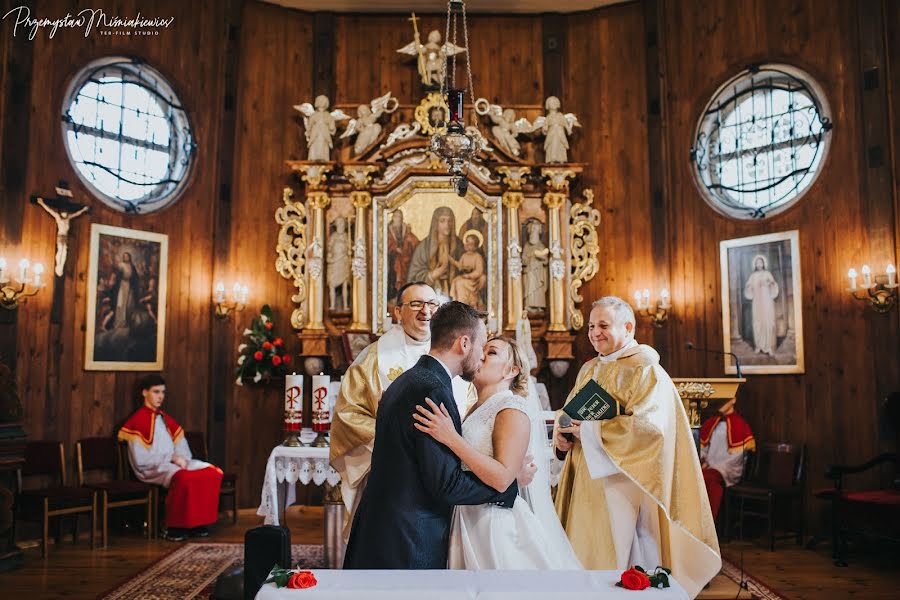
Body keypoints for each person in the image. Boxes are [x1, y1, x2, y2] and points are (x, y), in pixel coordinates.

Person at [343, 302, 532, 569]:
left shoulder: (409, 381)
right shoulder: (431, 390)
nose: (481, 357)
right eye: (481, 347)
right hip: (408, 538)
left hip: (389, 528)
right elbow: (447, 484)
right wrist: (511, 484)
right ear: (464, 344)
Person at [554, 296, 720, 599]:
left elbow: (650, 430)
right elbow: (569, 412)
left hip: (623, 481)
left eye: (603, 325)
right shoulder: (589, 369)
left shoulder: (646, 370)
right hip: (585, 480)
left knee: (622, 561)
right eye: (591, 326)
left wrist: (588, 431)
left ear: (628, 326)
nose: (594, 333)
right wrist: (563, 433)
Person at [414, 336, 582, 569]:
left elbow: (502, 478)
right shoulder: (475, 408)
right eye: (480, 350)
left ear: (511, 370)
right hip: (467, 515)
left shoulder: (510, 408)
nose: (480, 355)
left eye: (491, 352)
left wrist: (452, 438)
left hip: (493, 523)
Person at [329, 282, 473, 541]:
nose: (425, 311)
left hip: (448, 469)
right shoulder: (373, 359)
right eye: (416, 304)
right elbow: (347, 415)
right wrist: (401, 443)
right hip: (394, 477)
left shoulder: (458, 354)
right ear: (397, 312)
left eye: (431, 304)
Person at [118, 375, 223, 541]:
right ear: (144, 393)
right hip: (152, 467)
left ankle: (197, 523)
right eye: (156, 392)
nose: (160, 396)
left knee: (212, 472)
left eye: (163, 392)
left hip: (174, 462)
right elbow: (140, 459)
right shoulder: (136, 422)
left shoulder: (165, 419)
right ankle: (175, 527)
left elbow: (181, 446)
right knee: (184, 478)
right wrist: (170, 457)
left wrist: (182, 458)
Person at [699, 398, 755, 520]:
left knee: (706, 478)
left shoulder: (740, 425)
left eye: (725, 399)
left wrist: (716, 466)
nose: (721, 402)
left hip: (728, 468)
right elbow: (704, 448)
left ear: (734, 400)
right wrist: (703, 460)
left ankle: (710, 521)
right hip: (710, 467)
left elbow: (738, 456)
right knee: (698, 478)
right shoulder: (712, 423)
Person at [407, 206, 463, 296]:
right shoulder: (424, 247)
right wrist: (432, 275)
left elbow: (465, 269)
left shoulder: (459, 246)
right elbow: (413, 277)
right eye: (442, 221)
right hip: (429, 295)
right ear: (435, 223)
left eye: (450, 221)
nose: (447, 224)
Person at [744, 255, 779, 356]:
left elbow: (773, 284)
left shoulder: (767, 273)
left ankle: (768, 347)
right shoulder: (753, 276)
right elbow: (748, 287)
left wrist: (769, 284)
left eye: (761, 262)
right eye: (757, 262)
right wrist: (751, 287)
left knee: (767, 321)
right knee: (757, 321)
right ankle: (758, 345)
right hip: (757, 301)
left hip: (767, 300)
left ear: (764, 263)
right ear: (755, 264)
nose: (759, 264)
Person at [386, 210, 419, 302]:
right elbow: (386, 244)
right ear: (393, 218)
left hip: (405, 257)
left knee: (405, 271)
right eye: (396, 217)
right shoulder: (389, 230)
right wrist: (395, 249)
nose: (398, 219)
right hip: (392, 259)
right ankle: (395, 295)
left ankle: (405, 294)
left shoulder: (405, 229)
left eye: (400, 217)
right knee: (397, 268)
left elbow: (413, 240)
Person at [448, 232, 486, 308]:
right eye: (467, 242)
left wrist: (468, 276)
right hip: (465, 277)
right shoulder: (464, 255)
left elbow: (479, 271)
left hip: (474, 281)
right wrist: (452, 261)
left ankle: (463, 303)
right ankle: (456, 302)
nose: (468, 245)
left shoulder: (477, 257)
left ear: (476, 246)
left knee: (460, 283)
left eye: (471, 243)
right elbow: (460, 266)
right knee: (455, 281)